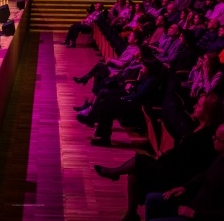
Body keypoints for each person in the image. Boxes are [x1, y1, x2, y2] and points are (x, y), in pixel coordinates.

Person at [93, 93, 224, 221]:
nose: (195, 106)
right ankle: (131, 214)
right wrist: (165, 156)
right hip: (173, 167)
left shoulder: (207, 138)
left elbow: (188, 161)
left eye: (199, 106)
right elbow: (181, 153)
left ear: (208, 112)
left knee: (139, 161)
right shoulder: (197, 126)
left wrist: (164, 159)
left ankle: (115, 173)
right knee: (135, 172)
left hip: (178, 174)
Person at [144, 122, 224, 221]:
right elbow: (205, 174)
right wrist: (185, 187)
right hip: (195, 203)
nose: (213, 138)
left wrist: (195, 214)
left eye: (217, 138)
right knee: (152, 198)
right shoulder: (220, 156)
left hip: (201, 215)